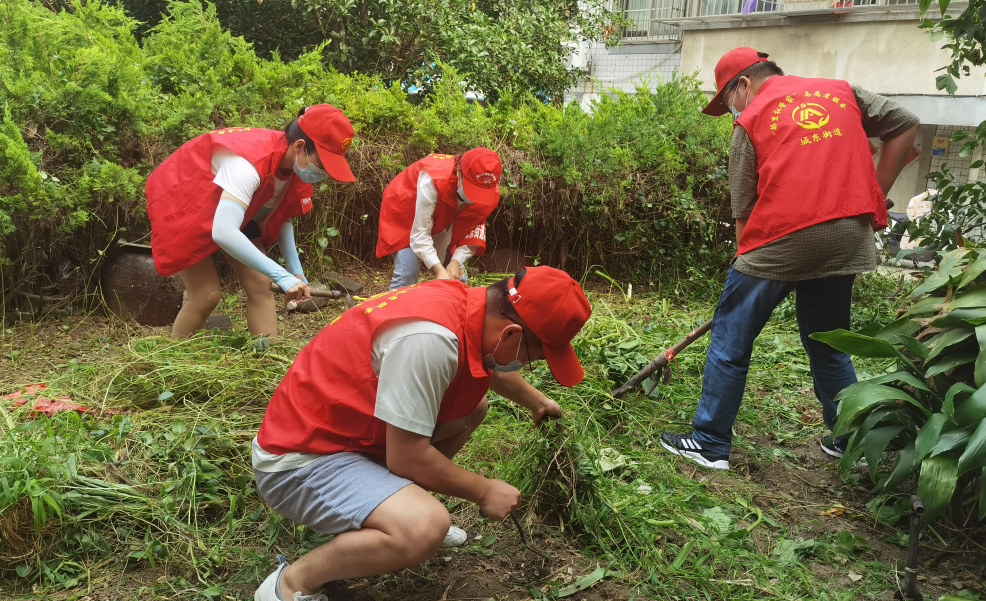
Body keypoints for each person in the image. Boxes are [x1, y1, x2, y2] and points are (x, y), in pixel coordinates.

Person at [250, 266, 591, 601]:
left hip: (350, 434)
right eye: (532, 358)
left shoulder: (467, 305)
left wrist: (538, 402)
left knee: (473, 406)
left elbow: (491, 361)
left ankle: (397, 507)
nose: (526, 365)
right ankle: (290, 584)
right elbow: (408, 457)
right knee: (422, 528)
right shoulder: (429, 340)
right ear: (511, 333)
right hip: (299, 460)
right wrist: (486, 491)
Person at [659, 48, 920, 471]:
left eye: (727, 100)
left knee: (730, 338)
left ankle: (709, 443)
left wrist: (746, 270)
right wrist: (876, 193)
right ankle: (849, 440)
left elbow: (744, 212)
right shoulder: (842, 92)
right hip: (848, 236)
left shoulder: (751, 118)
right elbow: (905, 123)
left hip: (784, 235)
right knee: (828, 340)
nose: (731, 110)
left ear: (744, 85)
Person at [146, 104, 357, 338]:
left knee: (260, 284)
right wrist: (282, 276)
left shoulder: (293, 165)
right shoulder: (249, 166)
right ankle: (176, 352)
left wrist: (294, 271)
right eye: (323, 164)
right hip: (187, 203)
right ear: (299, 146)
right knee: (206, 295)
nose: (324, 173)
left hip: (238, 208)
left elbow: (280, 214)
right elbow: (224, 231)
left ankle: (267, 352)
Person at [376, 148, 502, 291]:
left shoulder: (489, 190)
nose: (475, 198)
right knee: (408, 273)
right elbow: (420, 233)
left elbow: (471, 229)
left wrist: (456, 262)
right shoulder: (434, 179)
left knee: (457, 275)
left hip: (443, 219)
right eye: (472, 189)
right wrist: (439, 270)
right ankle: (395, 304)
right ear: (459, 172)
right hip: (405, 210)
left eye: (481, 192)